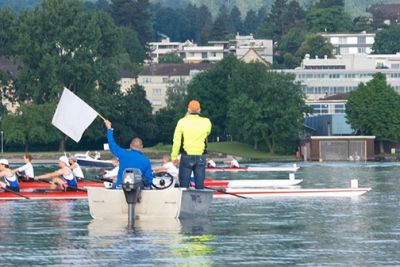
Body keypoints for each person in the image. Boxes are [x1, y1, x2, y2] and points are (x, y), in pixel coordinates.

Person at [171, 100, 212, 189]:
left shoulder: (181, 122)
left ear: (188, 110)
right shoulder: (206, 122)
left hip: (186, 155)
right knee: (200, 186)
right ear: (199, 110)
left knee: (184, 186)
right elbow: (207, 133)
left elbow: (177, 141)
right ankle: (200, 201)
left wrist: (174, 157)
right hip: (201, 155)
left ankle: (184, 201)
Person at [104, 120, 153, 189]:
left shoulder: (123, 154)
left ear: (130, 146)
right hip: (137, 190)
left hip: (120, 188)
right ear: (141, 147)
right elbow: (149, 180)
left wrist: (109, 129)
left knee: (113, 185)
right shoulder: (146, 160)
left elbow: (112, 145)